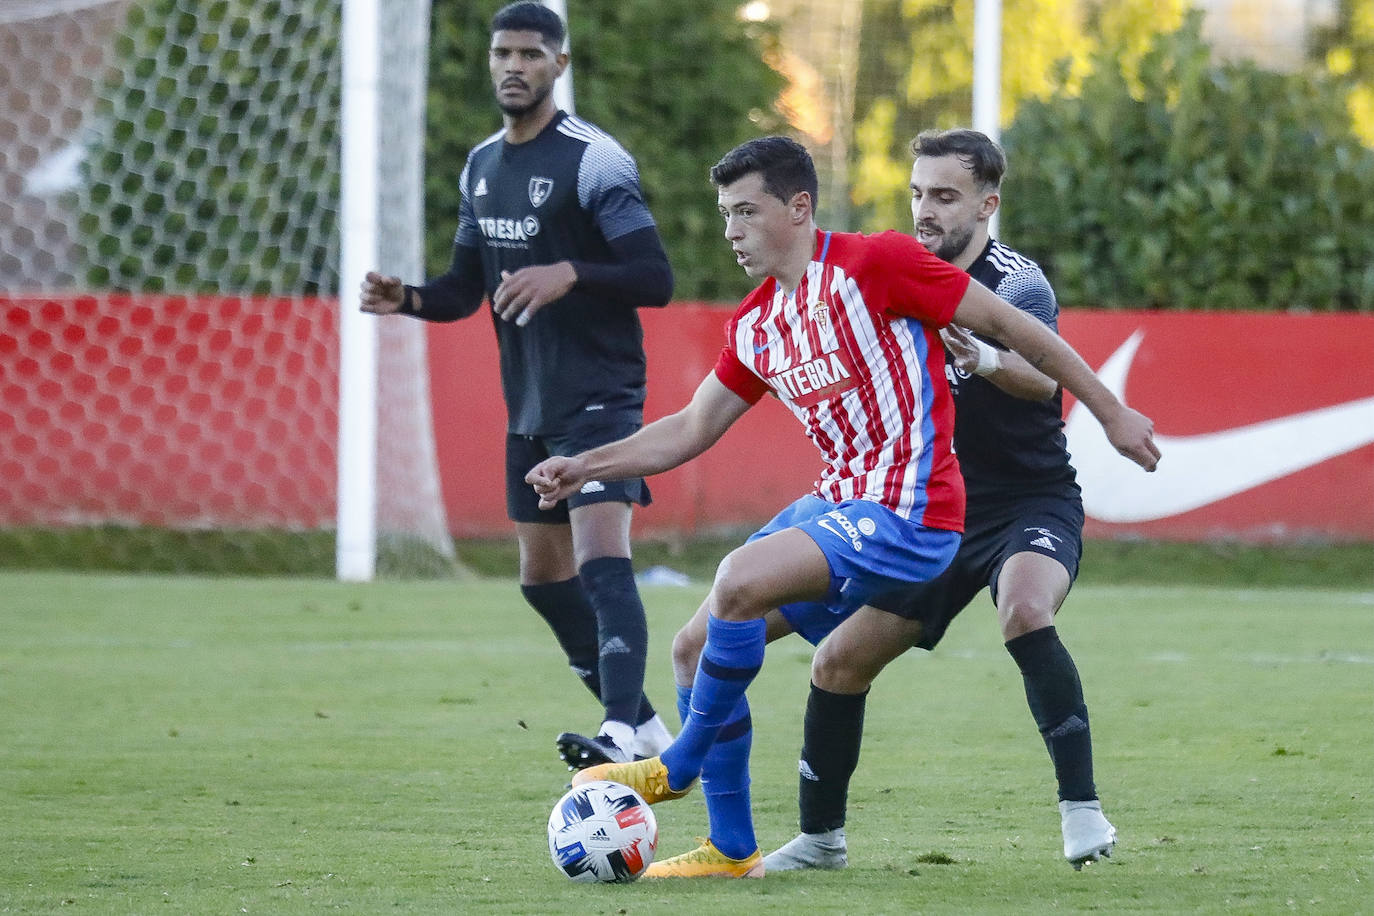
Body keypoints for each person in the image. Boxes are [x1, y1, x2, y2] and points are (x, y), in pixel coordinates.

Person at [526, 136, 1159, 878]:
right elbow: (691, 428)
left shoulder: (878, 264)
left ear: (799, 208)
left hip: (918, 510)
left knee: (741, 577)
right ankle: (735, 849)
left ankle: (680, 762)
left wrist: (1112, 412)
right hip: (846, 503)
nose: (730, 230)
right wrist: (584, 466)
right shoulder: (759, 323)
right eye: (724, 213)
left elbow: (1019, 333)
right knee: (698, 644)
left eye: (746, 212)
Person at [762, 128, 1120, 874]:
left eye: (946, 196)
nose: (926, 211)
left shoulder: (1018, 281)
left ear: (988, 204)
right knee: (836, 661)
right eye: (919, 193)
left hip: (1029, 502)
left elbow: (1042, 377)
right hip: (930, 512)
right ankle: (822, 841)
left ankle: (1082, 813)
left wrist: (985, 357)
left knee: (1024, 610)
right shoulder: (890, 278)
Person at [359, 1, 674, 767]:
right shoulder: (480, 167)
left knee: (602, 555)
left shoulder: (594, 160)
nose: (513, 66)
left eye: (531, 54)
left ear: (559, 65)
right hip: (529, 401)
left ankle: (622, 732)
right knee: (541, 577)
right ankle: (647, 724)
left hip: (601, 393)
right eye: (503, 53)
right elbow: (465, 290)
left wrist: (571, 272)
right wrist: (407, 299)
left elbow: (655, 278)